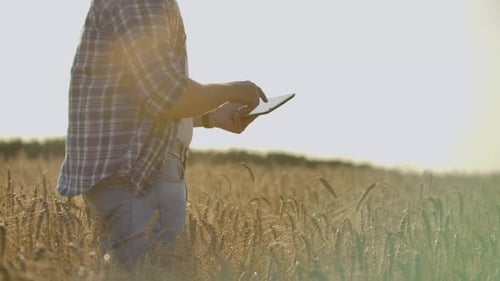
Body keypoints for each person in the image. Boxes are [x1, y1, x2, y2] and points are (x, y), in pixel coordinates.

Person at [57, 0, 267, 268]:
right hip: (137, 179)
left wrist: (210, 117)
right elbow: (166, 95)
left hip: (132, 178)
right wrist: (232, 89)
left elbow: (142, 104)